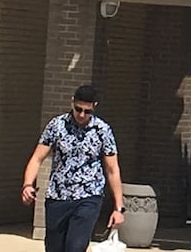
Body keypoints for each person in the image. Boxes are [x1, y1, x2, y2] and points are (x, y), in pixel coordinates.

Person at [21, 85, 125, 252]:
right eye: (78, 109)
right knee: (54, 248)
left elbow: (112, 170)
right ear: (72, 103)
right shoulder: (57, 125)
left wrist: (118, 208)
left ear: (94, 107)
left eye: (87, 111)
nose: (82, 115)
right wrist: (27, 185)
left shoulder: (103, 130)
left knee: (75, 247)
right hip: (58, 196)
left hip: (89, 196)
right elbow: (37, 158)